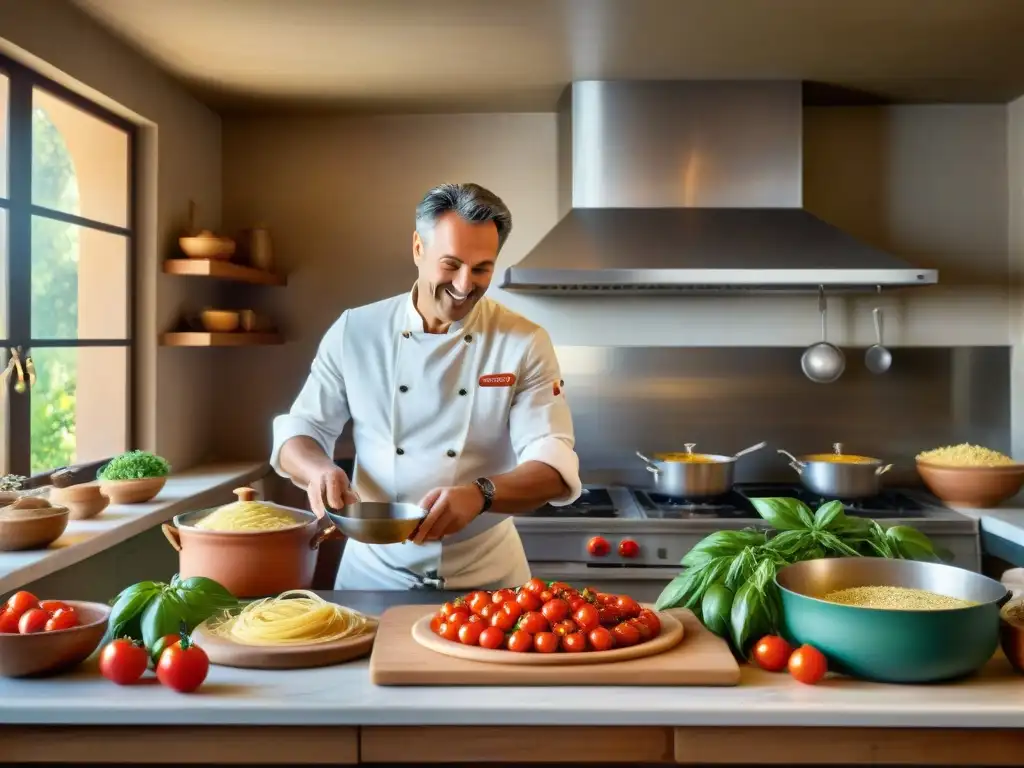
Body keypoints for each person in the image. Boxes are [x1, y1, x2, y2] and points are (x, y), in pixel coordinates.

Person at [271, 182, 582, 590]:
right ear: (419, 248)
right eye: (451, 264)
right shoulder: (356, 331)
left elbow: (553, 465)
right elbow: (303, 429)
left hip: (487, 574)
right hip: (373, 570)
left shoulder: (523, 341)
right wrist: (319, 471)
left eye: (482, 268)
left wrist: (482, 493)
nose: (465, 284)